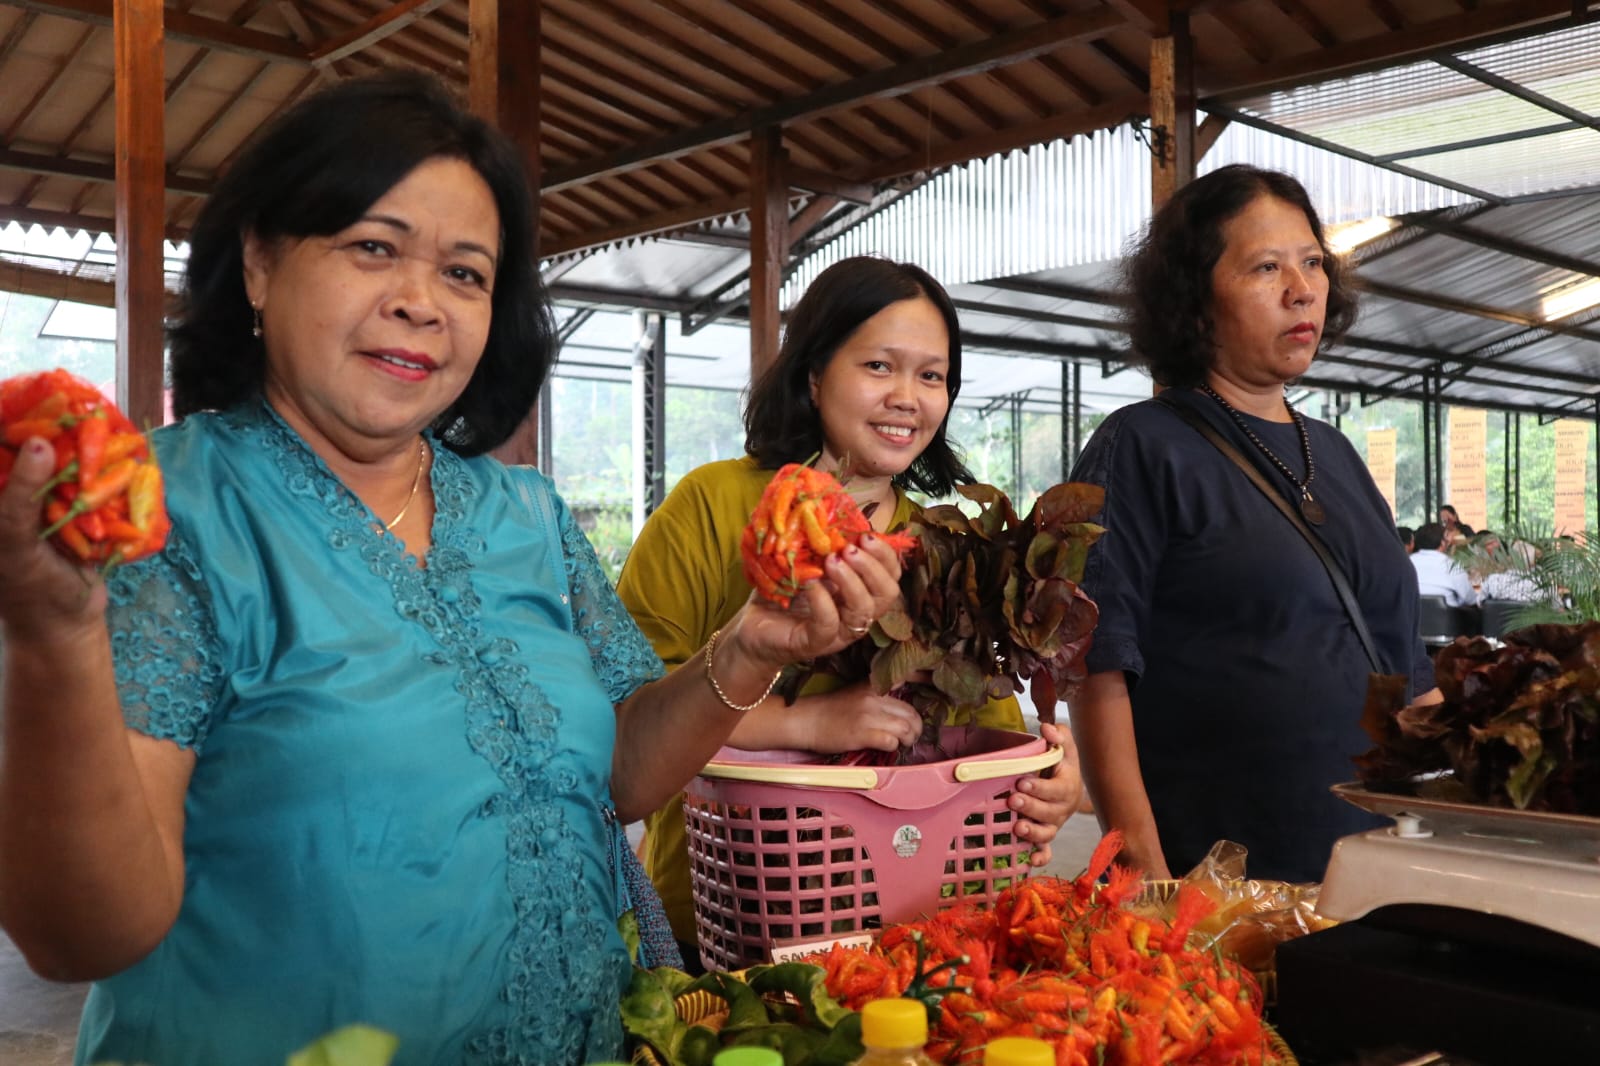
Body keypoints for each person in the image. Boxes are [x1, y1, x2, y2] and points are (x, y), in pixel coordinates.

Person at [0, 74, 908, 1066]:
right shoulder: (161, 517)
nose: (420, 302)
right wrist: (54, 640)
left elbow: (617, 774)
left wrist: (748, 648)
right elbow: (81, 937)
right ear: (259, 262)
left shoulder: (527, 514)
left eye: (465, 274)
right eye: (372, 247)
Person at [616, 256, 1082, 966]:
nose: (907, 397)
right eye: (878, 366)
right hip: (724, 922)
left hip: (915, 932)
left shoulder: (951, 547)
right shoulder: (710, 507)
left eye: (932, 376)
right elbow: (629, 720)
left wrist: (1044, 785)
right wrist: (807, 724)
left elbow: (982, 746)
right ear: (813, 375)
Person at [1068, 165, 1439, 884]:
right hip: (1218, 882)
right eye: (1267, 268)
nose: (1302, 289)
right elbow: (1096, 663)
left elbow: (1409, 673)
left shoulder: (1334, 452)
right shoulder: (1142, 445)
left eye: (1313, 263)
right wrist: (1144, 869)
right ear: (1194, 300)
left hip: (1377, 868)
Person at [1411, 522, 1479, 606]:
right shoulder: (1451, 564)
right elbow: (1470, 599)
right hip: (1447, 613)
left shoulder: (1409, 561)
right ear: (1442, 543)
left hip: (1413, 612)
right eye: (1447, 536)